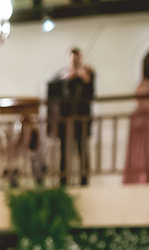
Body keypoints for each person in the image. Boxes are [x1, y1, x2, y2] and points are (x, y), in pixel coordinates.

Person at [48, 47, 95, 186]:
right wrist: (68, 76)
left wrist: (82, 75)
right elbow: (52, 89)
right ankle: (63, 180)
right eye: (73, 59)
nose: (75, 61)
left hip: (82, 120)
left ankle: (84, 180)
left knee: (82, 149)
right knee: (64, 151)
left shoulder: (87, 74)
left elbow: (91, 91)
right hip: (66, 119)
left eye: (77, 58)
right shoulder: (63, 75)